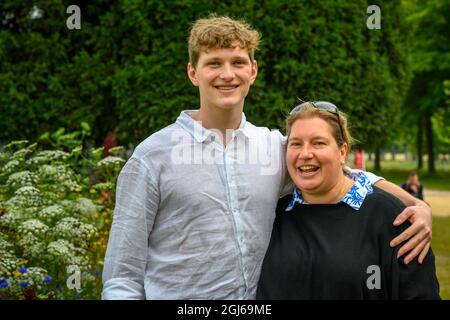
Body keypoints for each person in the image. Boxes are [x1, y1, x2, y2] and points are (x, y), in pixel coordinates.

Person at [102, 15, 433, 300]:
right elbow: (122, 275)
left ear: (253, 71)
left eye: (238, 62)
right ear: (193, 73)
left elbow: (338, 171)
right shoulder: (152, 157)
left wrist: (417, 207)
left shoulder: (273, 147)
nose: (227, 74)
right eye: (213, 63)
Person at [256, 102, 440, 299]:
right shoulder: (275, 214)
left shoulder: (390, 216)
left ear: (342, 152)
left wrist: (420, 205)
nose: (305, 154)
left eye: (318, 143)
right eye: (296, 143)